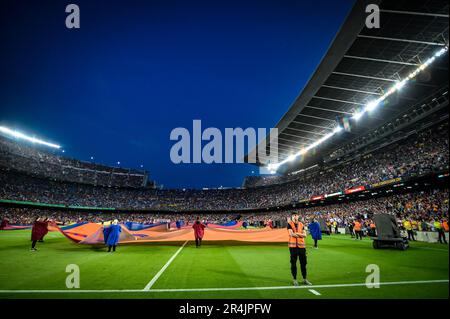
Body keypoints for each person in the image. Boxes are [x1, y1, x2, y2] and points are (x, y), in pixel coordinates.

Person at [287, 214, 311, 286]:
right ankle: (295, 279)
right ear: (291, 217)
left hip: (302, 247)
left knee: (303, 264)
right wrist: (300, 234)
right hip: (293, 247)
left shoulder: (301, 224)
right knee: (293, 264)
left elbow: (305, 235)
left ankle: (305, 279)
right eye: (293, 215)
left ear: (298, 216)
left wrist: (296, 233)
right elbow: (291, 234)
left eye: (296, 215)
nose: (295, 216)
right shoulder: (289, 224)